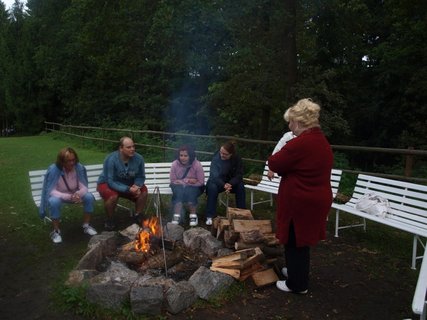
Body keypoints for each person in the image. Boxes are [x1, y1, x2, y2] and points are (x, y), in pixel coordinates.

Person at [268, 98, 333, 294]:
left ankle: (297, 285)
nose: (289, 126)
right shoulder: (319, 139)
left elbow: (274, 162)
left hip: (302, 202)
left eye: (291, 122)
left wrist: (288, 145)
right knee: (299, 241)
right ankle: (296, 273)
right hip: (313, 199)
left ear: (299, 121)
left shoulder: (302, 143)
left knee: (296, 241)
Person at [39, 147, 97, 244]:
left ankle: (86, 225)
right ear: (61, 161)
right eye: (68, 161)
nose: (71, 163)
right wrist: (68, 196)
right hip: (59, 195)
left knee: (89, 196)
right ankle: (56, 231)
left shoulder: (78, 168)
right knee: (54, 201)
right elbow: (51, 190)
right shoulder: (54, 170)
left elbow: (84, 186)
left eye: (73, 160)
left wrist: (78, 193)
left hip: (75, 194)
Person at [97, 137, 148, 230]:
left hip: (129, 183)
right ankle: (110, 220)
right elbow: (110, 181)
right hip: (107, 183)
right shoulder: (111, 159)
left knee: (143, 191)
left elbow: (141, 176)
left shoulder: (139, 158)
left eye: (133, 146)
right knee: (113, 196)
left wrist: (137, 185)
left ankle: (137, 215)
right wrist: (128, 189)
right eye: (128, 147)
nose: (132, 149)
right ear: (121, 148)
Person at [205, 140, 246, 226]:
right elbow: (214, 176)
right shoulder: (216, 158)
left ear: (231, 154)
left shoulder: (237, 159)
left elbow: (239, 175)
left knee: (240, 187)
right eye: (221, 152)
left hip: (231, 183)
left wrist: (230, 184)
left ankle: (242, 214)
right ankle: (210, 215)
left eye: (225, 154)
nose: (222, 155)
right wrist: (224, 185)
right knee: (212, 188)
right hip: (217, 182)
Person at [169, 145, 205, 226]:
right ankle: (177, 215)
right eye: (181, 155)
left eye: (186, 155)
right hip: (180, 186)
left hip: (195, 187)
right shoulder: (175, 164)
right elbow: (173, 180)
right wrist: (188, 181)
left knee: (190, 190)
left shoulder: (197, 164)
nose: (183, 158)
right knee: (178, 190)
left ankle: (193, 215)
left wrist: (184, 182)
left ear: (190, 156)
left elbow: (201, 182)